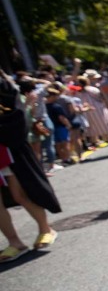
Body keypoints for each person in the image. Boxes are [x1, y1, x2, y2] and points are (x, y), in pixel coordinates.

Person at [0, 71, 60, 262]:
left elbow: (15, 114)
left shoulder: (4, 86)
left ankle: (45, 228)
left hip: (7, 147)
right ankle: (14, 242)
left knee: (20, 194)